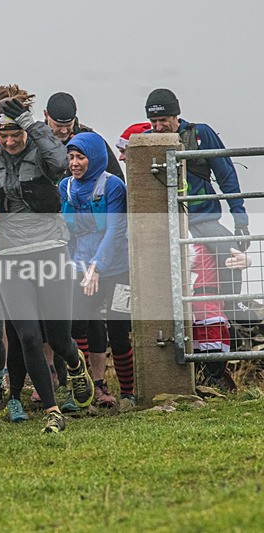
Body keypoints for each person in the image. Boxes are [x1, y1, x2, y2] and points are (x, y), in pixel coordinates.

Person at [0, 89, 95, 433]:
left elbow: (62, 163)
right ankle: (53, 411)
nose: (9, 142)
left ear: (25, 131)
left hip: (50, 250)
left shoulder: (43, 155)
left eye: (15, 135)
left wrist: (32, 125)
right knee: (29, 337)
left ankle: (75, 362)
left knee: (58, 338)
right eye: (3, 136)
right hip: (9, 257)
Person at [144, 88, 252, 323]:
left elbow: (226, 176)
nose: (158, 127)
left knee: (230, 252)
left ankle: (232, 304)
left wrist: (240, 220)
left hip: (203, 218)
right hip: (166, 223)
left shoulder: (200, 134)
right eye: (153, 122)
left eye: (163, 120)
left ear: (176, 116)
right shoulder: (146, 141)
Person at [60, 132, 136, 411]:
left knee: (118, 329)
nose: (74, 163)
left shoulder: (113, 185)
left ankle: (127, 394)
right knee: (77, 324)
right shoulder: (66, 187)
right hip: (82, 265)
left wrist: (97, 267)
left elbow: (115, 230)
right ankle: (86, 387)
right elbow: (67, 233)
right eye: (71, 157)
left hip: (116, 268)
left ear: (94, 158)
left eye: (80, 157)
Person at [190, 244, 251, 391]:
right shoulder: (200, 246)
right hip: (206, 300)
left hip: (214, 299)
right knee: (212, 337)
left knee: (218, 338)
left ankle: (210, 379)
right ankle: (211, 381)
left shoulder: (209, 245)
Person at [44, 92, 124, 181]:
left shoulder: (91, 140)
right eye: (58, 125)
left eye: (68, 125)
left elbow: (116, 177)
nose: (64, 131)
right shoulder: (36, 139)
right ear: (46, 115)